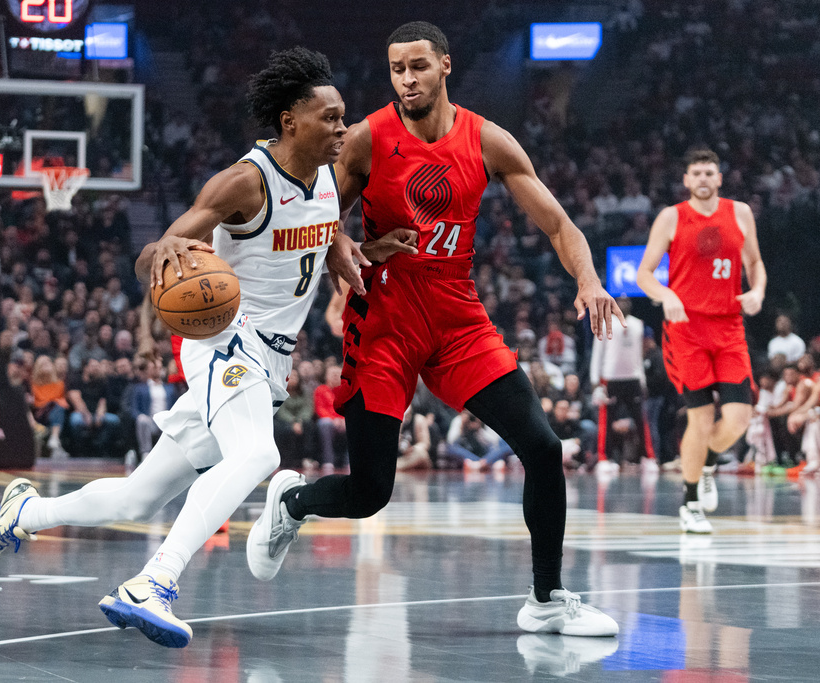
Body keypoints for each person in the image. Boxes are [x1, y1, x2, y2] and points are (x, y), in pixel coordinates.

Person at [0, 47, 350, 648]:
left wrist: (360, 257)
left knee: (139, 496)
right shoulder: (245, 181)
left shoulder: (327, 174)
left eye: (344, 116)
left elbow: (327, 236)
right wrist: (159, 256)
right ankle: (154, 583)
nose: (342, 127)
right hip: (226, 335)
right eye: (330, 117)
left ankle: (24, 514)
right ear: (290, 121)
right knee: (257, 457)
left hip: (271, 353)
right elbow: (161, 248)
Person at [247, 22, 621, 637]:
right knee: (371, 493)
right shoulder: (366, 138)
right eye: (396, 69)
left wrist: (590, 281)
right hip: (385, 320)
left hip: (456, 320)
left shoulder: (489, 141)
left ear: (446, 65)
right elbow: (316, 217)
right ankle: (292, 503)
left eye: (418, 66)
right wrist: (352, 245)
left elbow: (559, 225)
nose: (406, 79)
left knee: (544, 448)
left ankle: (547, 600)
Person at [636, 148, 766, 533]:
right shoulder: (671, 217)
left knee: (740, 418)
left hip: (729, 327)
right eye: (697, 173)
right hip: (686, 331)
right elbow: (644, 274)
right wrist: (667, 295)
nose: (704, 178)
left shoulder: (739, 213)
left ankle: (706, 457)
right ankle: (690, 502)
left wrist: (757, 290)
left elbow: (754, 263)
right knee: (701, 415)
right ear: (687, 180)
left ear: (720, 178)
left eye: (710, 172)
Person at [589, 298, 656, 472]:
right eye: (620, 302)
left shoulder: (638, 325)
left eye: (627, 302)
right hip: (610, 378)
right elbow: (597, 354)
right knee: (606, 421)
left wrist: (642, 380)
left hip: (633, 378)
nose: (624, 304)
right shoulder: (604, 324)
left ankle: (648, 458)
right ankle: (604, 459)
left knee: (641, 421)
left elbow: (638, 356)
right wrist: (596, 383)